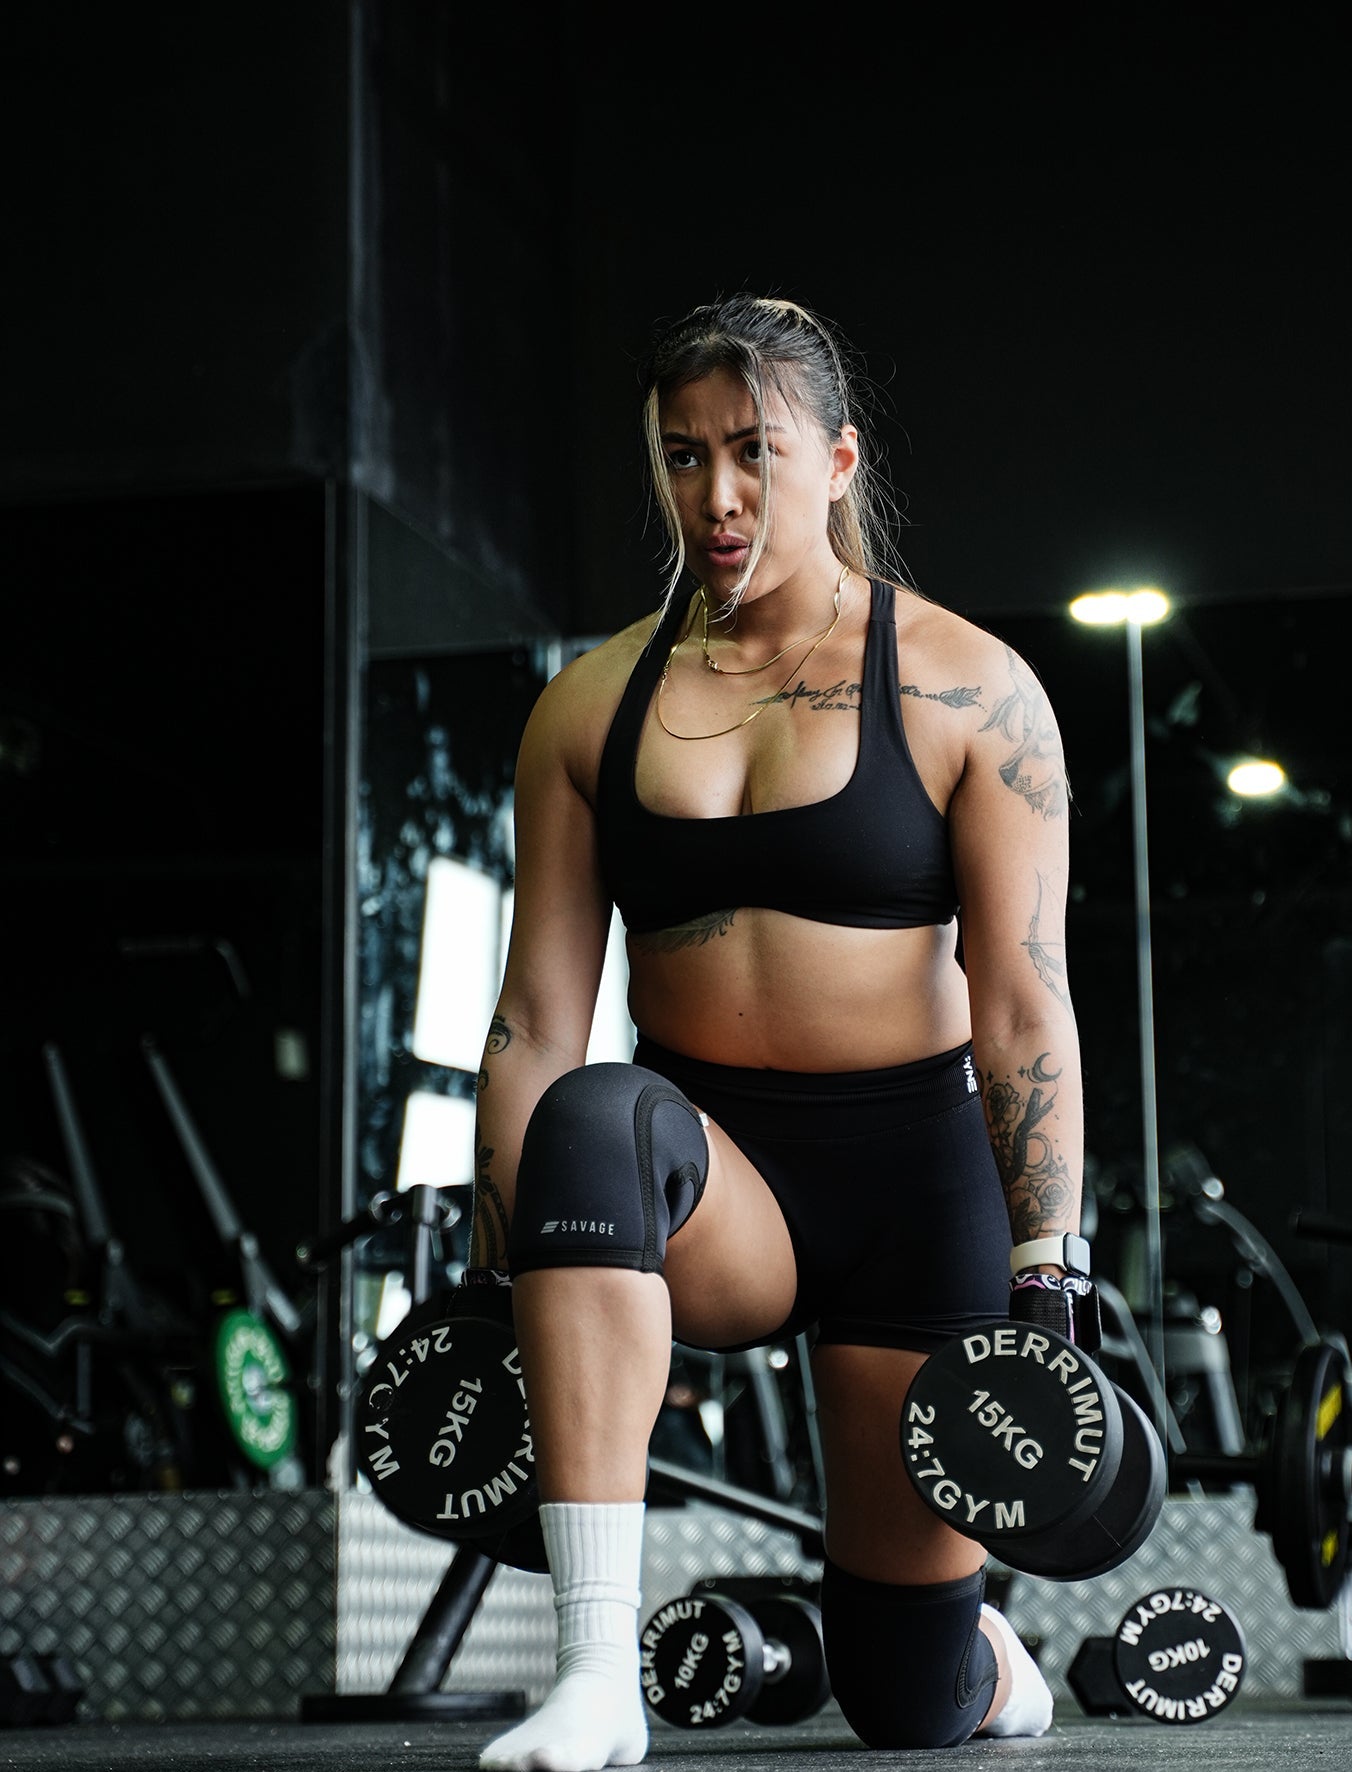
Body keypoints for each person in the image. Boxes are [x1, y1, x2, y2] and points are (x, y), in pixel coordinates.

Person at [473, 293, 1088, 1772]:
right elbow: (537, 1015)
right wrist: (499, 1267)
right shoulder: (590, 706)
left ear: (838, 462)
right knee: (590, 1114)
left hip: (914, 1185)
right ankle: (593, 1676)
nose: (719, 494)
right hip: (711, 1176)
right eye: (683, 457)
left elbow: (1020, 999)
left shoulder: (965, 685)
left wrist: (1046, 1269)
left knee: (904, 1703)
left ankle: (977, 1655)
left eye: (755, 450)